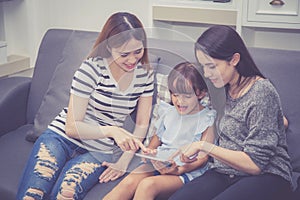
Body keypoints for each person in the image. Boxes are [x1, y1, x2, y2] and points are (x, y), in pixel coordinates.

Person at [17, 12, 153, 200]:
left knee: (65, 195)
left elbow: (142, 124)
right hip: (61, 138)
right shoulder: (91, 69)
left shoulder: (145, 75)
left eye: (138, 51)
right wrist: (112, 130)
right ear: (109, 47)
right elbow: (72, 127)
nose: (132, 60)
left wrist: (124, 160)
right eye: (124, 54)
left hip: (99, 149)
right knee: (32, 195)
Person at [169, 25, 293, 200]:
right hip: (224, 171)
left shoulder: (261, 91)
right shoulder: (221, 88)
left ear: (234, 59)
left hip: (268, 175)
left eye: (211, 66)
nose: (206, 73)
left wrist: (204, 147)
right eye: (203, 66)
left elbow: (255, 164)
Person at [103, 62, 216, 200]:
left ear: (201, 94)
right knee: (128, 183)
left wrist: (181, 169)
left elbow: (203, 158)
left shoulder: (207, 118)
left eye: (187, 96)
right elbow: (155, 141)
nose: (180, 101)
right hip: (160, 163)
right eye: (175, 95)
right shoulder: (168, 112)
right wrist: (149, 152)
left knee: (147, 186)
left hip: (185, 171)